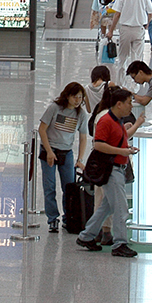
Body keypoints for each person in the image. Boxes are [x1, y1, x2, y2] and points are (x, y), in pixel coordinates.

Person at [75, 85, 142, 258]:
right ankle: (120, 243)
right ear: (119, 104)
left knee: (106, 207)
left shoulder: (117, 120)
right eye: (128, 102)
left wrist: (125, 147)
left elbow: (115, 141)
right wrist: (122, 152)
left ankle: (86, 236)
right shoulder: (106, 120)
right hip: (112, 171)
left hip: (117, 168)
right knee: (120, 208)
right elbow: (98, 144)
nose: (131, 106)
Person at [38, 82, 90, 233]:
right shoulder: (54, 108)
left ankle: (69, 217)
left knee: (69, 187)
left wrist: (80, 159)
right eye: (75, 97)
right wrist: (48, 151)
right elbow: (42, 129)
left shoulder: (81, 115)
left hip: (66, 153)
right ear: (67, 96)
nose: (77, 100)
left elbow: (83, 137)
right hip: (50, 151)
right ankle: (53, 219)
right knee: (49, 187)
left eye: (80, 97)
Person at [105, 0, 152, 72]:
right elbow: (150, 13)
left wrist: (110, 31)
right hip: (139, 29)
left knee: (122, 57)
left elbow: (117, 15)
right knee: (137, 58)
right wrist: (146, 25)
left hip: (125, 29)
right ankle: (135, 84)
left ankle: (121, 82)